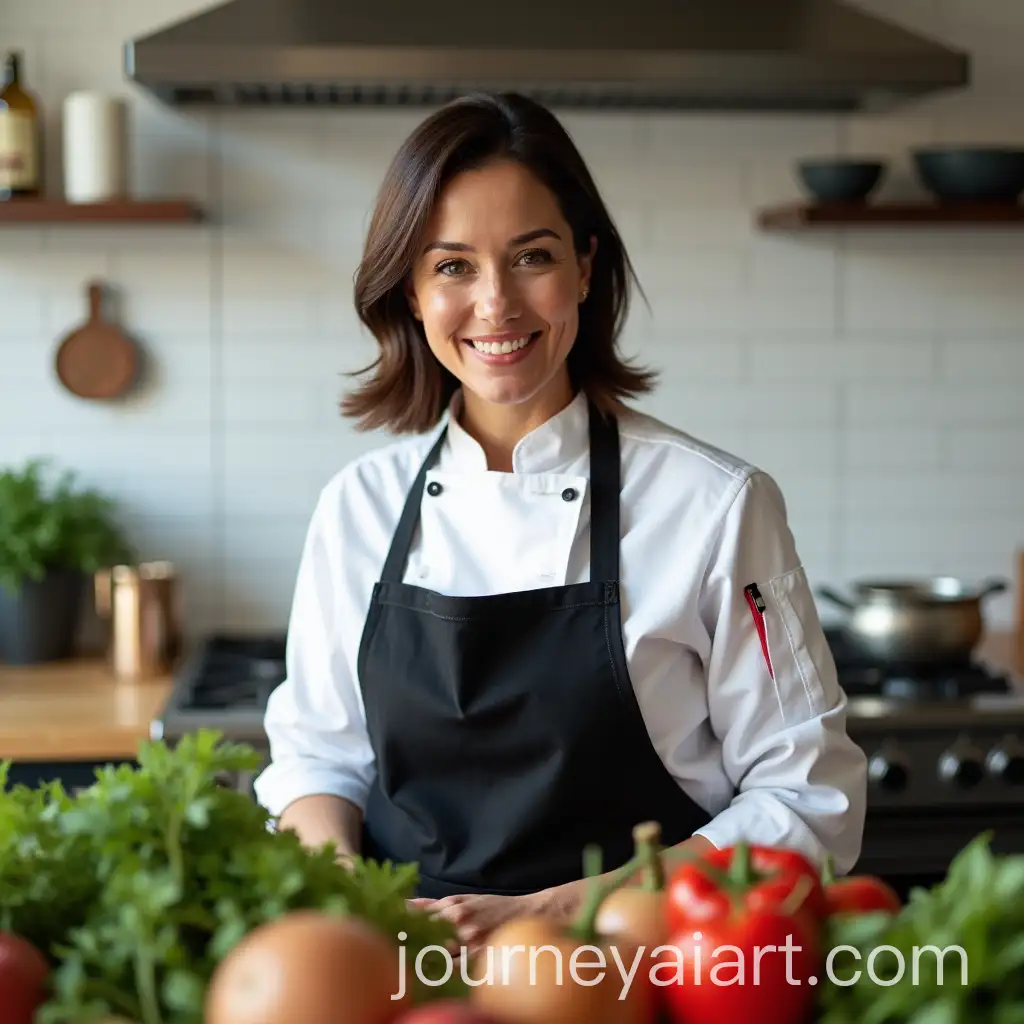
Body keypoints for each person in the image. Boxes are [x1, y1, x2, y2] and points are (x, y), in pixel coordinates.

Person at [252, 91, 867, 948]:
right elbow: (318, 761)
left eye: (530, 257)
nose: (496, 305)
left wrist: (553, 911)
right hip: (403, 969)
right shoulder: (359, 506)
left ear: (585, 266)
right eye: (453, 265)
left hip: (629, 965)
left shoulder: (715, 505)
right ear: (412, 292)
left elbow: (809, 797)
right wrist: (357, 899)